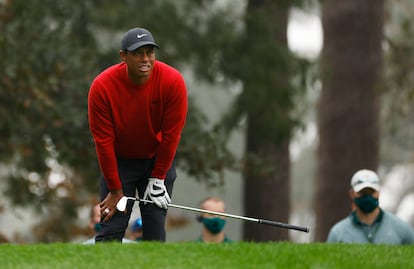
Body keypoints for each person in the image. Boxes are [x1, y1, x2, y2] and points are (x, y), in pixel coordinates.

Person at [88, 27, 188, 242]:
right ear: (123, 56)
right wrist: (115, 189)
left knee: (153, 228)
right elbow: (103, 141)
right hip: (120, 164)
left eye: (149, 52)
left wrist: (159, 176)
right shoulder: (102, 86)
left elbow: (172, 135)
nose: (145, 59)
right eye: (137, 53)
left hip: (157, 161)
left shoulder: (172, 81)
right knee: (111, 228)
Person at [327, 169, 414, 244]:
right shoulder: (338, 233)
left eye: (371, 192)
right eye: (362, 192)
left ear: (378, 192)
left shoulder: (402, 230)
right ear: (352, 194)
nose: (367, 197)